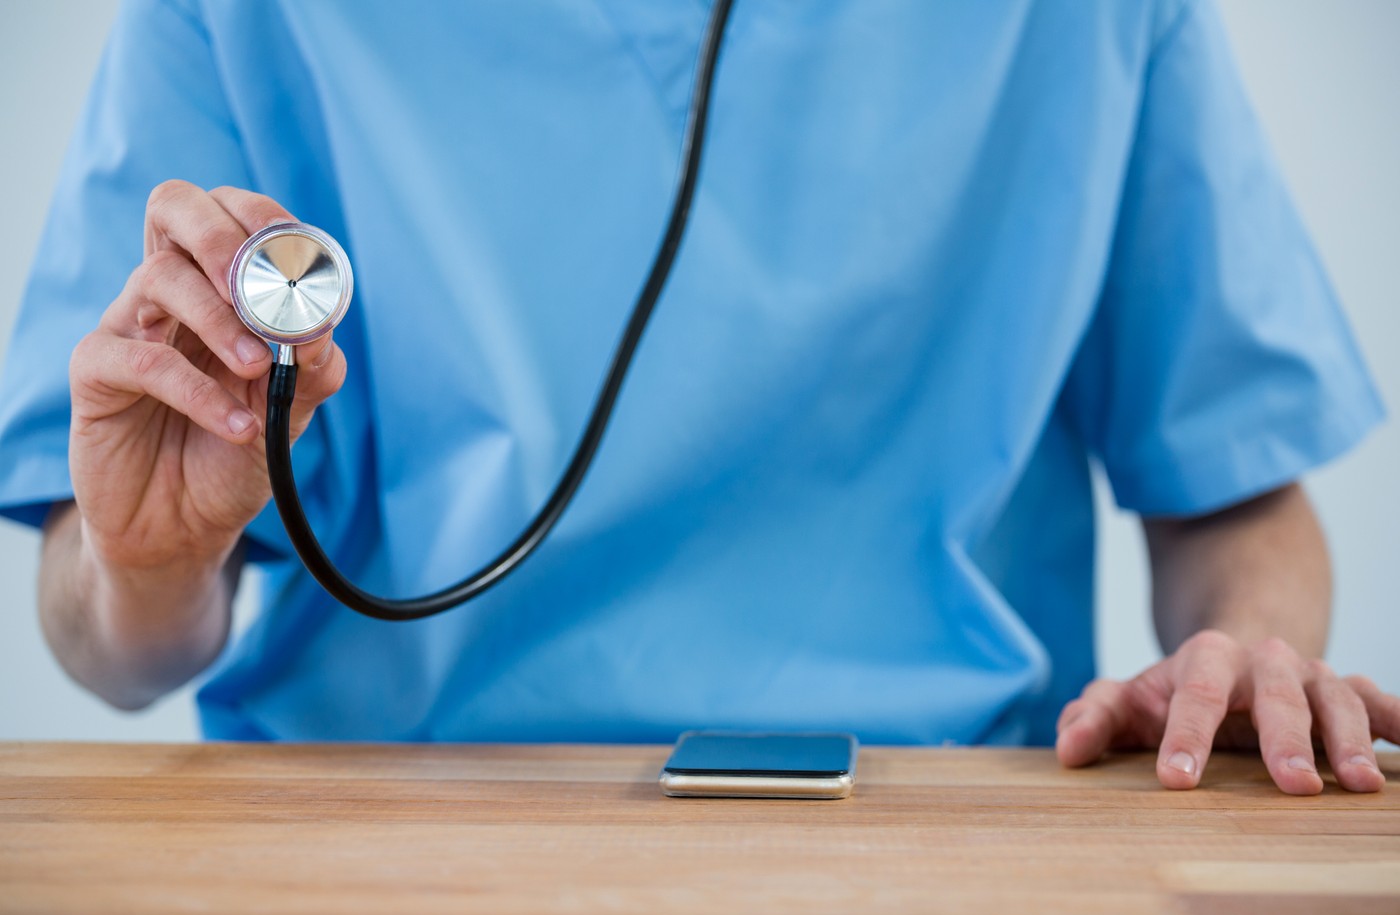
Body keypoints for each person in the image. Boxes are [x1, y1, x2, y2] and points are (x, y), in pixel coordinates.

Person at [0, 0, 1395, 795]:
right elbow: (108, 641)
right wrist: (146, 560)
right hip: (372, 836)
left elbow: (1235, 498)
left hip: (949, 828)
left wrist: (1247, 654)